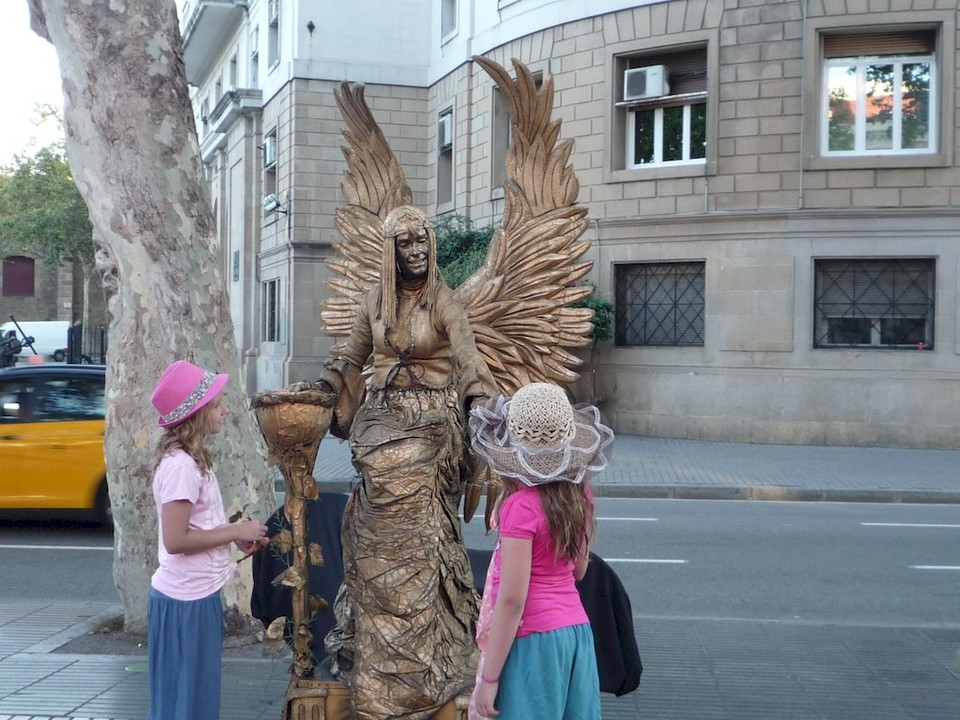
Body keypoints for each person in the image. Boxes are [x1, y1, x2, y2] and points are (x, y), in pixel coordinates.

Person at [316, 205, 498, 719]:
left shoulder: (445, 300)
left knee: (413, 532)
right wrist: (323, 389)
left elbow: (469, 359)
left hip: (431, 424)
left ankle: (422, 670)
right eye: (406, 242)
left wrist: (481, 401)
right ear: (389, 250)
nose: (417, 251)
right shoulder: (374, 301)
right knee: (370, 535)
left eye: (423, 241)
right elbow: (350, 359)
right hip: (379, 420)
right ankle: (375, 664)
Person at [467, 382, 614, 720]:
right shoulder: (580, 496)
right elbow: (578, 571)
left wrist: (489, 678)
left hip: (533, 642)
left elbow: (512, 599)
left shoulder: (521, 506)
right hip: (575, 634)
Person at [148, 359, 269, 720]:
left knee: (194, 701)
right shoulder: (181, 466)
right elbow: (175, 539)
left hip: (196, 597)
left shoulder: (193, 460)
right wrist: (235, 531)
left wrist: (236, 540)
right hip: (183, 603)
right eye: (217, 404)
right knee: (185, 705)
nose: (224, 409)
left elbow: (196, 529)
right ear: (197, 413)